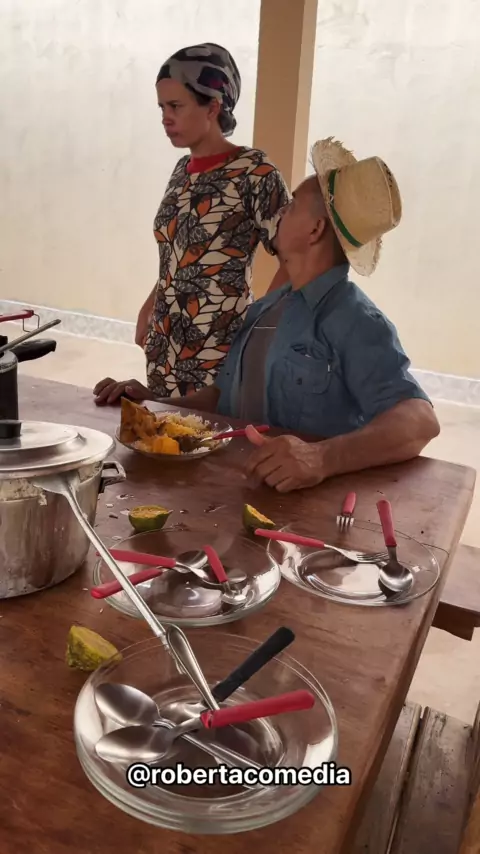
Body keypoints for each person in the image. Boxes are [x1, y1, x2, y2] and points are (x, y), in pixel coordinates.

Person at [95, 136, 441, 492]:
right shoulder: (265, 309)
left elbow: (420, 421)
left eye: (292, 205)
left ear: (315, 230)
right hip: (237, 498)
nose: (281, 212)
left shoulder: (356, 320)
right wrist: (153, 402)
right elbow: (221, 398)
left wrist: (322, 458)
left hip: (305, 512)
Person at [94, 42, 289, 406]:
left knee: (210, 438)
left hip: (219, 354)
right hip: (166, 347)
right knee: (162, 436)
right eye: (162, 108)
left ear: (213, 106)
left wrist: (259, 331)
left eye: (176, 106)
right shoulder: (182, 171)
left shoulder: (255, 173)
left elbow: (296, 259)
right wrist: (151, 303)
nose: (165, 118)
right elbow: (181, 252)